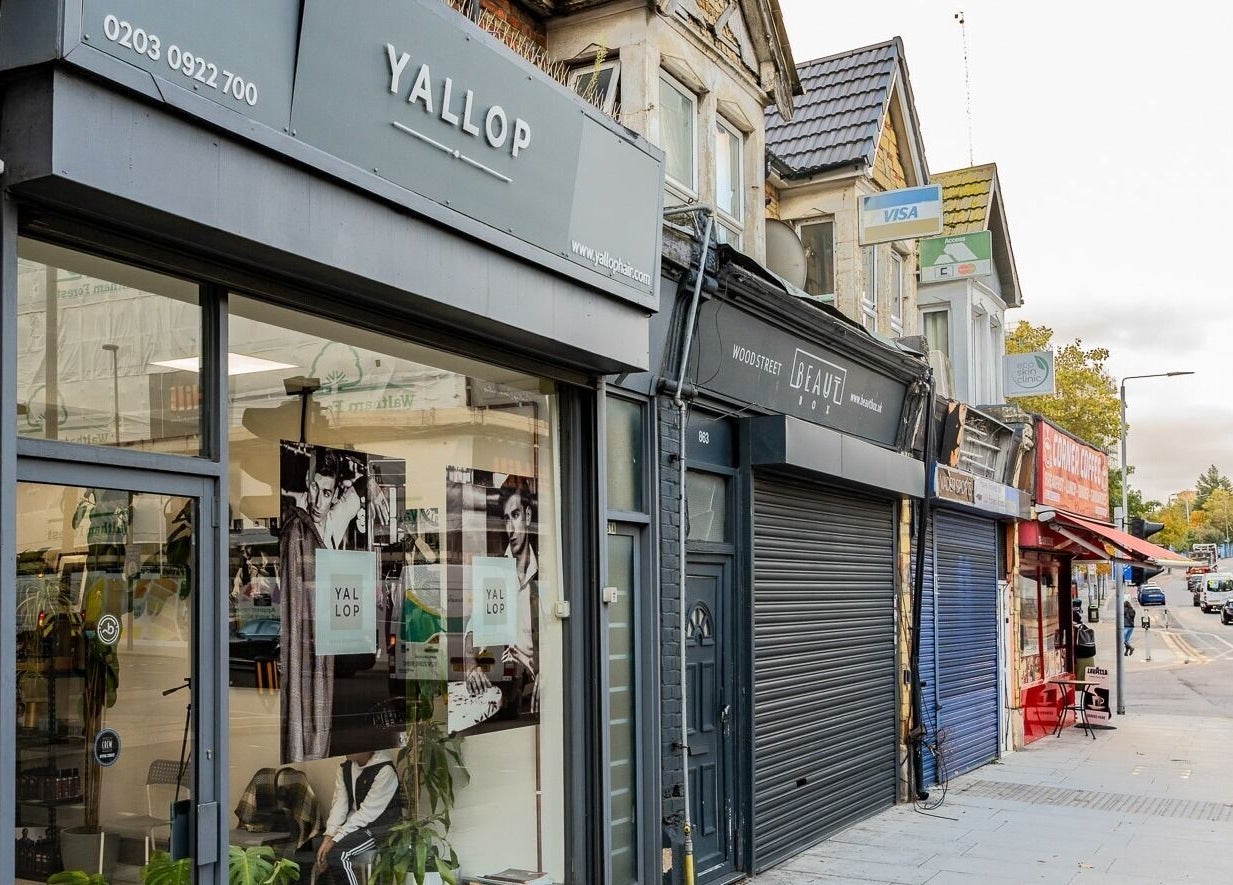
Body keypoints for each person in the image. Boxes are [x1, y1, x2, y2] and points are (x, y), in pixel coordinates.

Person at [316, 749, 402, 885]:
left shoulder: (385, 770)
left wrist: (335, 840)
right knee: (315, 848)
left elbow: (367, 813)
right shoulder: (345, 768)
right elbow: (340, 805)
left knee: (338, 854)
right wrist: (329, 835)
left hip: (380, 828)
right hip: (355, 827)